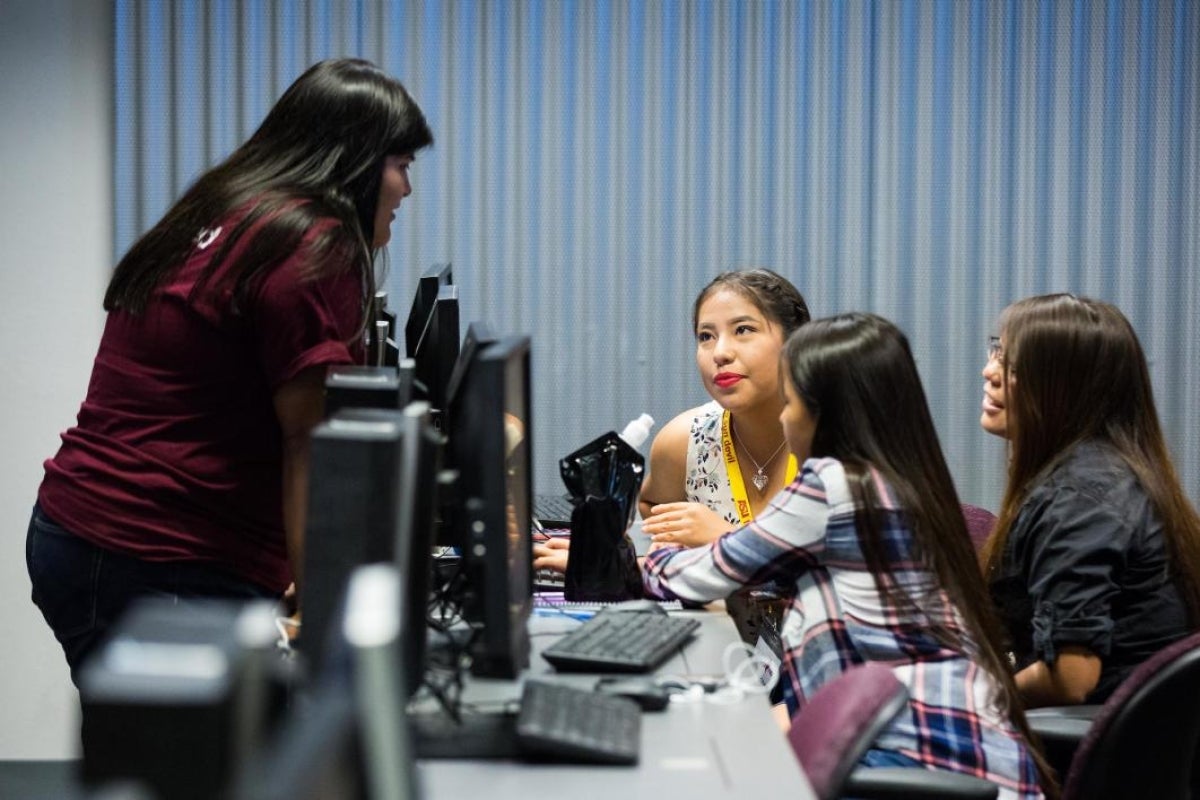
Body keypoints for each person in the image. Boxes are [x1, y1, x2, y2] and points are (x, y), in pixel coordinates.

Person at [26, 58, 434, 684]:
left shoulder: (229, 206)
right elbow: (312, 444)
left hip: (91, 531)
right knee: (202, 763)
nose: (407, 188)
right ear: (353, 160)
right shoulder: (314, 243)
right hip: (155, 548)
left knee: (159, 757)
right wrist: (325, 620)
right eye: (401, 165)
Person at [644, 313, 1052, 799]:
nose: (782, 417)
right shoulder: (902, 480)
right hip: (961, 754)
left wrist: (630, 559)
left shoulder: (834, 484)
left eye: (791, 404)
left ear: (826, 415)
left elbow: (697, 577)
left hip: (914, 759)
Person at [979, 294, 1200, 707]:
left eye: (1013, 365)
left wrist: (973, 697)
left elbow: (1070, 679)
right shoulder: (1099, 473)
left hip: (1092, 754)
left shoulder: (1080, 499)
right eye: (996, 351)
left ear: (1068, 388)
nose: (989, 371)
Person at [532, 268, 810, 579]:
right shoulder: (685, 441)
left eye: (743, 330)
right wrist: (610, 563)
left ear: (795, 343)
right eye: (706, 336)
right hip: (717, 625)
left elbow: (853, 573)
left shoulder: (840, 443)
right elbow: (661, 533)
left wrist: (729, 540)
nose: (720, 353)